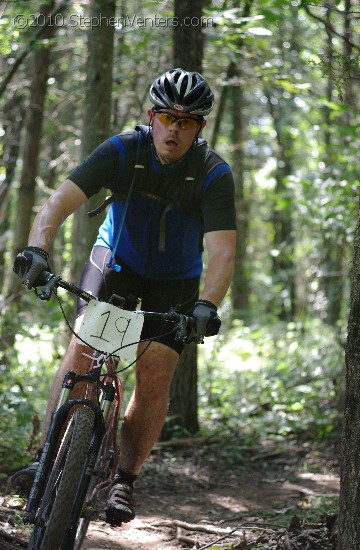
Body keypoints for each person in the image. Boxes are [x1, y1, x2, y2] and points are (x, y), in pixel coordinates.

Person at [11, 68, 237, 526]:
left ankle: (124, 482)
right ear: (151, 116)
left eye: (187, 121)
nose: (175, 129)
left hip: (174, 281)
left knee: (154, 375)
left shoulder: (213, 174)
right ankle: (48, 456)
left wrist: (207, 304)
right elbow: (58, 202)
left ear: (200, 129)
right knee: (84, 351)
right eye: (168, 117)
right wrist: (37, 249)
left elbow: (222, 252)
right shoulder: (121, 150)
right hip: (114, 263)